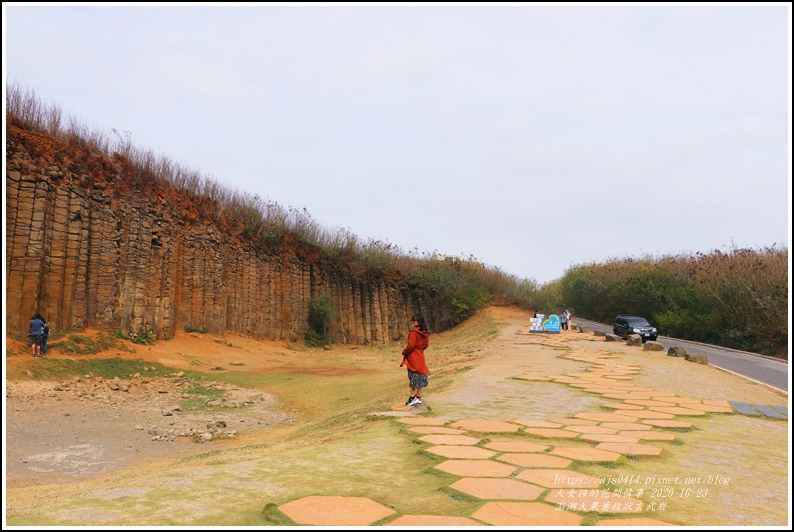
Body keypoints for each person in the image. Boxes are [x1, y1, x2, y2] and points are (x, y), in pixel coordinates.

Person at [400, 313, 430, 406]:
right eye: (412, 320)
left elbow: (411, 345)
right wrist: (419, 350)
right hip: (420, 356)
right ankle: (418, 397)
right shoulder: (425, 333)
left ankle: (412, 398)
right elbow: (426, 345)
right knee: (420, 376)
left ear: (419, 322)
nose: (412, 322)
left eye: (414, 320)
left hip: (413, 357)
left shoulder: (414, 332)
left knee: (413, 377)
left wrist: (404, 352)